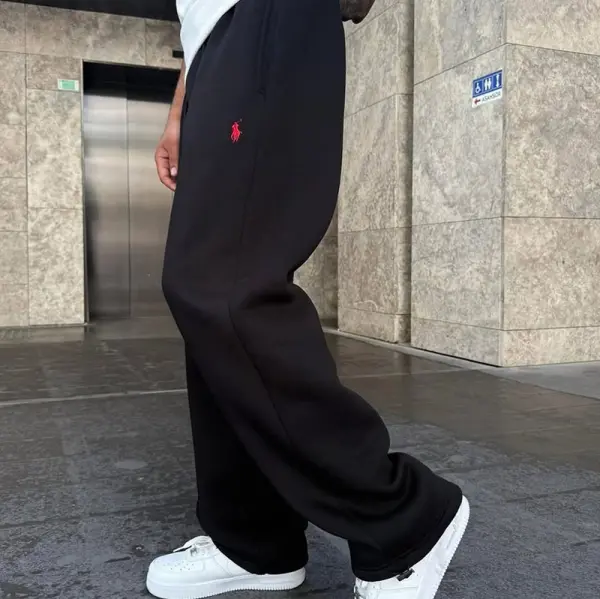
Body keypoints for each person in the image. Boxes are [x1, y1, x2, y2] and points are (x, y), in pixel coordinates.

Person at [149, 1, 470, 598]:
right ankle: (255, 540)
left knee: (227, 286)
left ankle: (402, 518)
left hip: (265, 16)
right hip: (215, 49)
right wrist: (181, 108)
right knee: (203, 292)